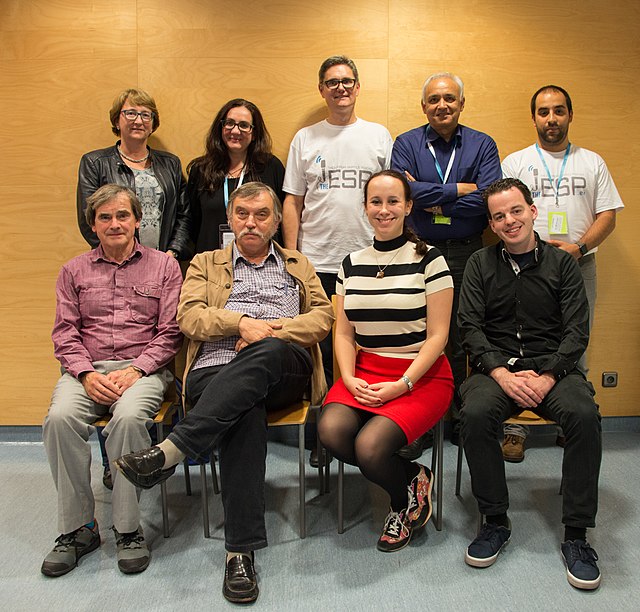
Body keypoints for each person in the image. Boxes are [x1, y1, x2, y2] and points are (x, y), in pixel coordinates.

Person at [115, 182, 333, 605]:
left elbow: (322, 318)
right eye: (243, 214)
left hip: (283, 368)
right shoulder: (204, 262)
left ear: (274, 221)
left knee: (266, 354)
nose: (251, 222)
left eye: (262, 215)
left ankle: (173, 450)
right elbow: (189, 317)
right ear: (230, 219)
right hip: (214, 370)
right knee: (243, 409)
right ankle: (240, 552)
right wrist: (238, 324)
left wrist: (266, 331)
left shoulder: (297, 262)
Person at [458, 178, 602, 590]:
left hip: (552, 370)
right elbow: (469, 327)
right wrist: (501, 373)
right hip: (497, 370)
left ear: (533, 211)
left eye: (516, 210)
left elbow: (577, 331)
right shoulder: (479, 264)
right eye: (499, 215)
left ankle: (576, 535)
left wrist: (548, 376)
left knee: (583, 414)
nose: (509, 220)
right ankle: (495, 520)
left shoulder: (563, 264)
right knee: (476, 413)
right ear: (491, 223)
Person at [41, 184, 183, 577]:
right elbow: (64, 333)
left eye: (123, 215)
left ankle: (127, 528)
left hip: (143, 369)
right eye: (105, 217)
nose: (115, 223)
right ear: (93, 224)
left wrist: (136, 370)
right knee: (59, 420)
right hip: (84, 370)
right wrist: (85, 374)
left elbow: (170, 332)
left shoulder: (164, 266)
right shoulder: (73, 270)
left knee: (128, 420)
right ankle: (79, 528)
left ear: (138, 221)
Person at [318, 170, 454, 552]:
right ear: (365, 207)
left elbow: (439, 337)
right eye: (375, 202)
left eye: (393, 201)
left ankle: (402, 500)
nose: (384, 209)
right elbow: (343, 333)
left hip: (421, 375)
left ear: (408, 206)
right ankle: (412, 476)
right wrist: (346, 376)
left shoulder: (430, 260)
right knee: (330, 431)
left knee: (370, 448)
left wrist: (403, 384)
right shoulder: (350, 263)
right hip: (364, 371)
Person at [500, 85, 624, 462]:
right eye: (543, 112)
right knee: (515, 339)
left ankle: (574, 425)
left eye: (558, 111)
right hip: (523, 265)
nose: (551, 119)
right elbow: (502, 213)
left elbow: (608, 215)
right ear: (533, 117)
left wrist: (578, 249)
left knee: (576, 340)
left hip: (578, 264)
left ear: (570, 115)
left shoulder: (592, 162)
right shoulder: (516, 162)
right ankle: (514, 429)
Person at [391, 72, 502, 449]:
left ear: (461, 104)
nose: (442, 105)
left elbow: (488, 198)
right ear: (424, 106)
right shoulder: (406, 142)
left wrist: (432, 197)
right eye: (434, 100)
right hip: (417, 249)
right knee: (418, 334)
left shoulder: (482, 144)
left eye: (450, 99)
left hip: (468, 250)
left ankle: (456, 418)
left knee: (459, 335)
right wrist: (458, 190)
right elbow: (404, 191)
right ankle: (417, 422)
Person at [282, 55, 393, 401]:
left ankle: (370, 410)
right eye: (332, 82)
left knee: (373, 342)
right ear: (322, 90)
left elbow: (393, 196)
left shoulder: (378, 135)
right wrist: (293, 256)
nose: (340, 88)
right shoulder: (305, 138)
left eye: (347, 81)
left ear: (358, 88)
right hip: (319, 262)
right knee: (326, 348)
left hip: (370, 260)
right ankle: (328, 418)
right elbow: (292, 201)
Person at [77, 88, 191, 259]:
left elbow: (185, 214)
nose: (138, 120)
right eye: (130, 113)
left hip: (164, 263)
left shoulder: (171, 164)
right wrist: (119, 255)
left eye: (146, 115)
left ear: (153, 124)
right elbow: (89, 218)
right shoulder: (95, 163)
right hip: (116, 262)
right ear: (117, 120)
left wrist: (172, 253)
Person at [187, 98, 285, 253]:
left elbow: (281, 219)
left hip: (260, 263)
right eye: (229, 123)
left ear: (254, 133)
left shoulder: (270, 168)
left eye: (244, 125)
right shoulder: (201, 170)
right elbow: (193, 222)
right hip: (212, 263)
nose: (235, 131)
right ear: (220, 127)